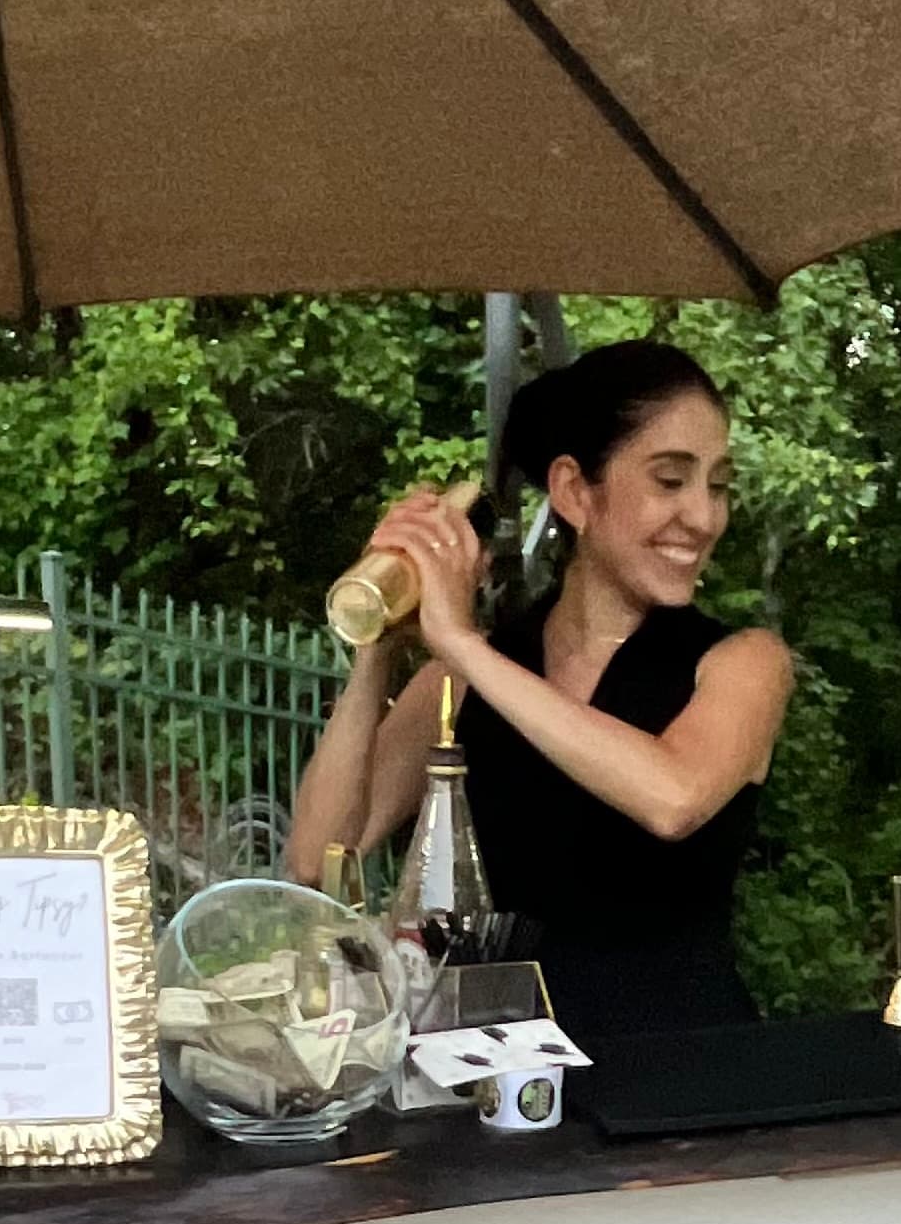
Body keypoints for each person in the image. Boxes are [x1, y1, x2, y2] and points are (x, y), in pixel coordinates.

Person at [285, 340, 794, 1038]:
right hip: (497, 1079)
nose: (704, 517)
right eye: (672, 481)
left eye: (717, 485)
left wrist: (460, 639)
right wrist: (378, 641)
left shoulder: (742, 661)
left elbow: (672, 797)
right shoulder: (462, 681)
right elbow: (317, 862)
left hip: (683, 1076)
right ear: (575, 492)